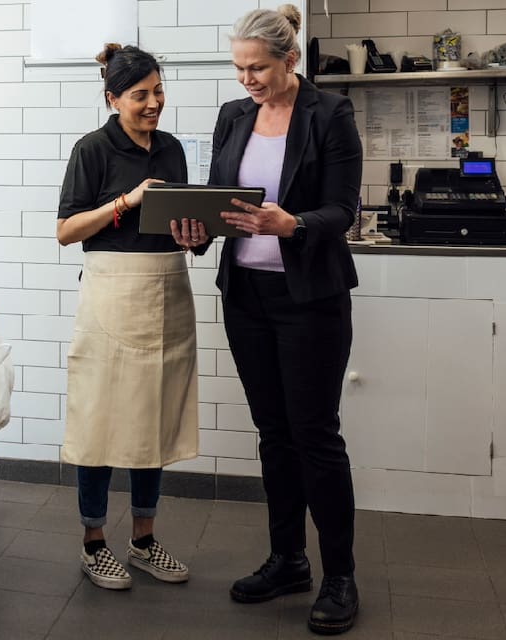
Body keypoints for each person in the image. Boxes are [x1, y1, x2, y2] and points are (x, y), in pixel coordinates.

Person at [207, 5, 362, 635]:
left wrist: (292, 223)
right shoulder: (233, 116)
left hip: (310, 300)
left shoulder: (330, 114)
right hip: (246, 294)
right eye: (239, 68)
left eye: (258, 68)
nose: (247, 79)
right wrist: (197, 230)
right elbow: (222, 202)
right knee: (273, 433)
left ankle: (340, 575)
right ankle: (288, 559)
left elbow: (343, 210)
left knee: (314, 436)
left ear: (289, 60)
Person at [57, 43, 208, 591]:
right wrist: (126, 201)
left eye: (159, 91)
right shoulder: (92, 149)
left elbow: (185, 225)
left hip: (168, 291)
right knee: (100, 422)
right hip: (111, 296)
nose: (153, 104)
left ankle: (143, 539)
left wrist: (199, 235)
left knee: (153, 419)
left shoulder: (171, 149)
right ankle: (94, 542)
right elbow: (67, 230)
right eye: (140, 95)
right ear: (112, 98)